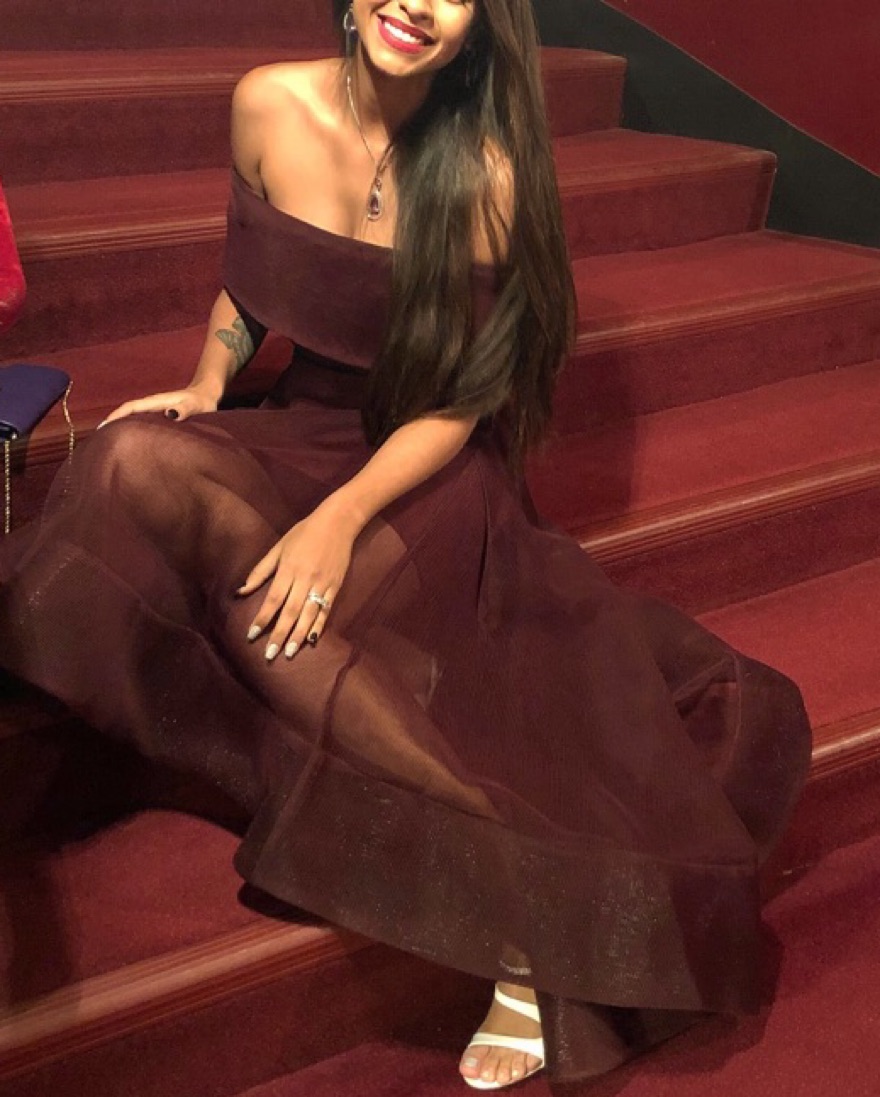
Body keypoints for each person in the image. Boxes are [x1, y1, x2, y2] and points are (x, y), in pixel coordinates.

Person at [0, 0, 811, 1091]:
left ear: (481, 23)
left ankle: (526, 913)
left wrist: (337, 522)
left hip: (423, 461)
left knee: (295, 614)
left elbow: (462, 401)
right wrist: (207, 381)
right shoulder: (266, 102)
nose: (416, 2)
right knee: (130, 456)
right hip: (304, 423)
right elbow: (255, 270)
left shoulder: (488, 170)